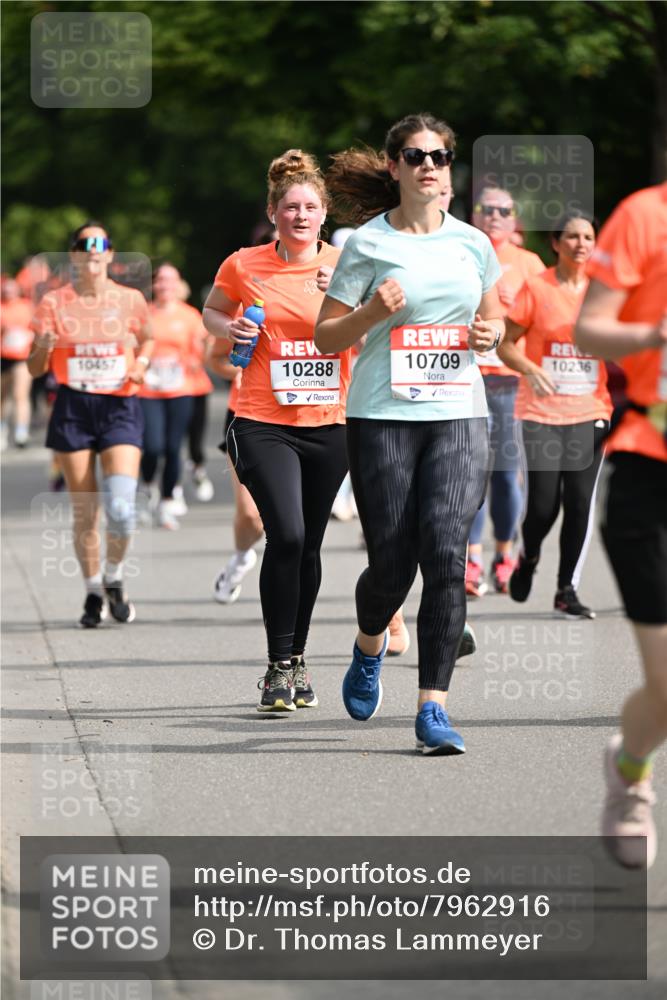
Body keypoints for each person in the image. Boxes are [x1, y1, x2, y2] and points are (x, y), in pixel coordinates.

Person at [315, 112, 504, 755]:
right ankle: (369, 645)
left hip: (458, 413)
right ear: (394, 166)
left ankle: (433, 709)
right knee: (393, 564)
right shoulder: (366, 245)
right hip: (382, 415)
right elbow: (326, 335)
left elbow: (495, 319)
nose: (430, 164)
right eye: (417, 155)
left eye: (442, 155)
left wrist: (490, 335)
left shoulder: (474, 244)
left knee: (447, 555)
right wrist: (373, 310)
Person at [203, 149, 352, 712]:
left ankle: (298, 658)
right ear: (273, 211)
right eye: (290, 206)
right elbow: (212, 311)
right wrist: (231, 324)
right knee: (285, 534)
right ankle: (276, 665)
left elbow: (380, 321)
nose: (300, 215)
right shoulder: (243, 264)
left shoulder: (345, 263)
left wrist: (352, 295)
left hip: (329, 421)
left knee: (309, 544)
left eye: (310, 206)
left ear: (323, 213)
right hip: (262, 419)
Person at [575, 182, 667, 870]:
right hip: (651, 473)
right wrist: (654, 333)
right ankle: (631, 773)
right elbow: (588, 328)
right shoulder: (645, 215)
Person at [28, 221, 152, 627]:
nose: (94, 250)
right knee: (85, 511)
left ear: (111, 255)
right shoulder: (53, 302)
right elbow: (33, 369)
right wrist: (43, 348)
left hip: (119, 405)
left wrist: (142, 364)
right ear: (75, 255)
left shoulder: (131, 299)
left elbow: (148, 338)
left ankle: (114, 576)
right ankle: (93, 591)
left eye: (102, 244)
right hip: (74, 406)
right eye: (85, 244)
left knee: (120, 508)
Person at [498, 211, 610, 618]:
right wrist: (530, 368)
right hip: (541, 411)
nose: (582, 244)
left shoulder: (604, 292)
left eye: (588, 237)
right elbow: (506, 344)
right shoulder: (536, 288)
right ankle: (528, 557)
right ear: (556, 242)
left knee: (580, 501)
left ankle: (567, 589)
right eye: (573, 237)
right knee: (544, 507)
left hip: (591, 410)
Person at [466, 187, 545, 596]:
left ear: (515, 220)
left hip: (511, 382)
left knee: (505, 475)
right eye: (486, 208)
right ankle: (472, 558)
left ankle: (504, 555)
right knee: (472, 473)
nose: (494, 215)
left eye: (503, 210)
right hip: (468, 377)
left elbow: (546, 321)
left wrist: (515, 310)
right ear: (475, 214)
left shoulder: (529, 264)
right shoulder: (462, 248)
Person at [139, 263, 208, 530]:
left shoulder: (190, 316)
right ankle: (146, 487)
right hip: (148, 389)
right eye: (160, 280)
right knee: (152, 446)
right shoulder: (144, 314)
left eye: (170, 280)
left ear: (179, 285)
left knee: (172, 447)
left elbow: (201, 350)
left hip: (181, 388)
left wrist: (195, 359)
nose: (165, 285)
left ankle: (167, 501)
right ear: (154, 285)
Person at [209, 337, 264, 603]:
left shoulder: (329, 300)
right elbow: (215, 358)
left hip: (313, 418)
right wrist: (253, 369)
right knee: (251, 516)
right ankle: (241, 559)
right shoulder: (248, 306)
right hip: (247, 414)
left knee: (298, 524)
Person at [1, 276, 34, 448]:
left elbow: (36, 328)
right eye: (5, 289)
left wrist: (29, 335)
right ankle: (2, 429)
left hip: (22, 357)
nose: (8, 292)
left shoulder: (26, 306)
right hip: (3, 357)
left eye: (11, 288)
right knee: (2, 398)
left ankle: (21, 432)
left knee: (21, 395)